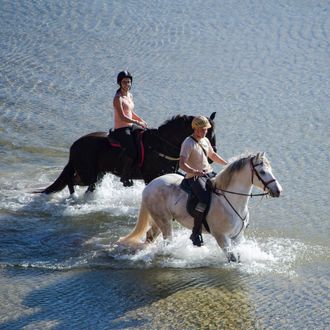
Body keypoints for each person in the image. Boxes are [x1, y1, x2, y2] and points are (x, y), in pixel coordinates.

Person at [179, 115, 228, 247]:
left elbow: (212, 155)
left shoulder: (205, 140)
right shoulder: (188, 143)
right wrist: (194, 171)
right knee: (205, 199)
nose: (205, 131)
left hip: (208, 173)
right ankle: (196, 232)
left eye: (206, 129)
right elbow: (182, 164)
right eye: (202, 129)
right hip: (194, 177)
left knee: (224, 189)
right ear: (195, 129)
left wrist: (227, 164)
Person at [112, 71, 148, 187]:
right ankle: (125, 176)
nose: (127, 84)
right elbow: (123, 116)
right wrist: (137, 122)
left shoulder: (129, 95)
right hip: (121, 129)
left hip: (130, 126)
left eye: (129, 81)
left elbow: (131, 112)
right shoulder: (118, 98)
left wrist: (142, 120)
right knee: (132, 150)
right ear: (120, 83)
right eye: (124, 82)